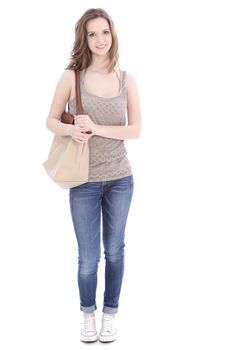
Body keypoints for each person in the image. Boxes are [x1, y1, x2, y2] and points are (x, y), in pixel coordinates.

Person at [46, 8, 141, 343]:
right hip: (83, 180)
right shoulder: (71, 76)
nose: (100, 40)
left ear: (112, 35)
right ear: (83, 38)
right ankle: (88, 314)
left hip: (120, 179)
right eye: (92, 34)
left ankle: (110, 314)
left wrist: (97, 127)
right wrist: (72, 132)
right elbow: (51, 121)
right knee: (88, 258)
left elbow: (136, 130)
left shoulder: (125, 79)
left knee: (114, 250)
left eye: (105, 32)